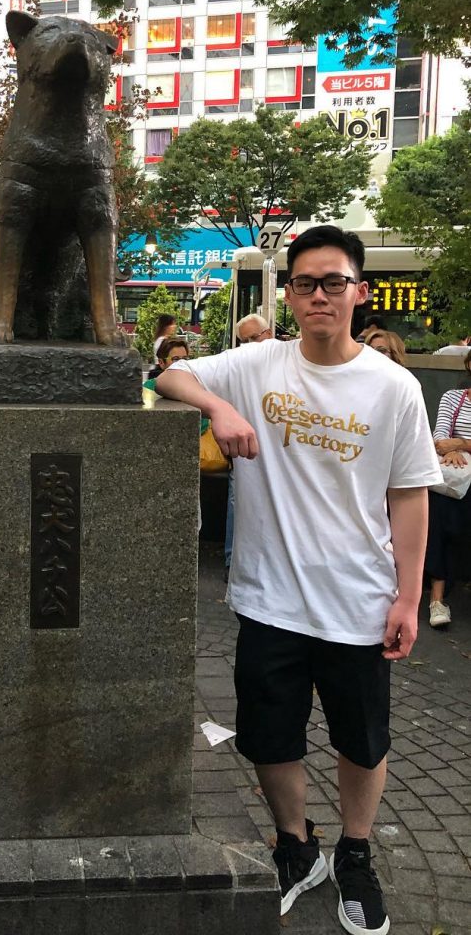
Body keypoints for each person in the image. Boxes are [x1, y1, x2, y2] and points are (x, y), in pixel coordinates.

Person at [157, 225, 441, 935]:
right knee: (270, 738)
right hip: (269, 600)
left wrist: (407, 596)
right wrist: (219, 408)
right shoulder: (258, 364)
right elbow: (166, 374)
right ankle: (295, 846)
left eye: (333, 282)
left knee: (360, 741)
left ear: (359, 292)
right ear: (287, 294)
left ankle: (354, 852)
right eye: (305, 283)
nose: (319, 295)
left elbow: (409, 495)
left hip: (358, 599)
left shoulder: (393, 387)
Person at [423, 349, 471, 628]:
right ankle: (437, 599)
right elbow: (440, 438)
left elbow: (452, 441)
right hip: (454, 476)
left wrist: (461, 444)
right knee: (440, 511)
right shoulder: (453, 398)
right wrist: (449, 449)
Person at [224, 314, 275, 578]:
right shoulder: (239, 367)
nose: (250, 345)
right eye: (244, 341)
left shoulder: (286, 362)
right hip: (246, 452)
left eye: (254, 338)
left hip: (279, 455)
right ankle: (233, 560)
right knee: (238, 502)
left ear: (269, 332)